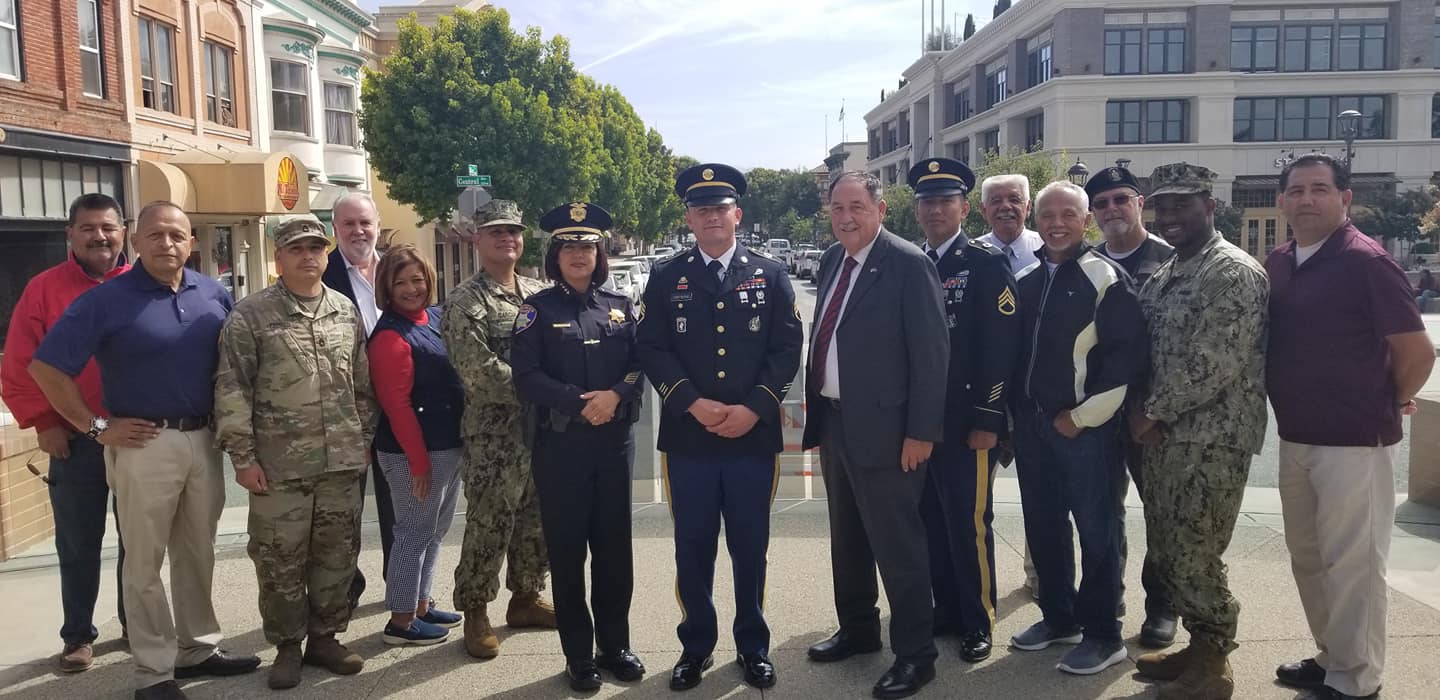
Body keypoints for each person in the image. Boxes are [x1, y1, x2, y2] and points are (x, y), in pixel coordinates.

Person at [29, 200, 259, 700]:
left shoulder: (213, 294)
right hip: (142, 443)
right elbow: (45, 367)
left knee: (197, 552)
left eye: (177, 236)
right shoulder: (107, 299)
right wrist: (94, 427)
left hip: (203, 439)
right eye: (155, 235)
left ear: (192, 243)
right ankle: (153, 672)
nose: (167, 244)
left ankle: (198, 647)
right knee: (144, 562)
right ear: (136, 241)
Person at [1266, 153, 1435, 700]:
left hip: (1355, 443)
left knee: (1355, 565)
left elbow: (1416, 351)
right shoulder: (1281, 261)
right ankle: (1332, 655)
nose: (1307, 199)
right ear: (1281, 201)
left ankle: (1358, 679)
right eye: (1297, 190)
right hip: (1296, 435)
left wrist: (1391, 399)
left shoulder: (1367, 262)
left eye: (1320, 189)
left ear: (1345, 198)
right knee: (1310, 558)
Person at [636, 163, 803, 691]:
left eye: (720, 208)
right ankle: (697, 646)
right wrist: (690, 402)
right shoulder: (666, 276)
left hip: (753, 438)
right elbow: (652, 348)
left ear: (738, 214)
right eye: (701, 208)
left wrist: (755, 407)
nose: (712, 216)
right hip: (689, 438)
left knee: (751, 547)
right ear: (689, 217)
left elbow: (786, 350)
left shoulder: (771, 274)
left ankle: (753, 645)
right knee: (693, 546)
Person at [1125, 164, 1270, 699]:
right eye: (1161, 206)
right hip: (1167, 437)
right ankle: (1198, 644)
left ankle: (1214, 663)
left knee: (1194, 550)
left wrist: (1152, 411)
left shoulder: (1230, 271)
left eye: (1182, 205)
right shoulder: (1169, 271)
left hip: (1212, 440)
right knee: (1167, 549)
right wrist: (1143, 408)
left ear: (1210, 206)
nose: (1170, 216)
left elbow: (1217, 360)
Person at [801, 170, 948, 699]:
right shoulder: (832, 259)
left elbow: (932, 357)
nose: (845, 217)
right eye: (837, 208)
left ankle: (916, 655)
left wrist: (922, 433)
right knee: (848, 539)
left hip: (891, 432)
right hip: (838, 423)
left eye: (856, 207)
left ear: (880, 210)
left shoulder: (908, 264)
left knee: (898, 546)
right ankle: (860, 629)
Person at [213, 217, 375, 689]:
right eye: (296, 249)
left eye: (315, 248)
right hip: (278, 467)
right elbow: (232, 389)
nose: (308, 257)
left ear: (327, 255)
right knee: (279, 559)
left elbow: (363, 387)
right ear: (278, 258)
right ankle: (287, 645)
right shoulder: (251, 315)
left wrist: (361, 440)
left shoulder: (345, 311)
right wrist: (242, 458)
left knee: (336, 556)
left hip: (339, 463)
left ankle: (325, 638)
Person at [1007, 182, 1145, 677]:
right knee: (1044, 528)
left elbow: (1124, 364)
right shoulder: (1025, 277)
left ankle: (1103, 634)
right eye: (1047, 215)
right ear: (1035, 220)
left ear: (1085, 221)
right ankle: (1059, 617)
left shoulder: (1106, 277)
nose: (1057, 223)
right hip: (1034, 427)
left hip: (1086, 430)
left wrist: (1081, 418)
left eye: (1069, 214)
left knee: (1097, 532)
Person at [513, 203, 647, 691]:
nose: (578, 255)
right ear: (555, 254)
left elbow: (639, 364)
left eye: (587, 246)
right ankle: (579, 655)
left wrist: (615, 395)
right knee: (568, 555)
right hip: (562, 449)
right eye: (569, 246)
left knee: (614, 552)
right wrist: (577, 402)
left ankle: (615, 647)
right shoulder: (537, 311)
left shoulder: (622, 306)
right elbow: (526, 375)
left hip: (614, 445)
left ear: (600, 253)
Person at [1, 193, 131, 673]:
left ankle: (135, 623)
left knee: (138, 540)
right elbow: (19, 364)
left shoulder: (141, 284)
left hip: (137, 436)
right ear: (70, 235)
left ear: (123, 232)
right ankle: (77, 635)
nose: (100, 236)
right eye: (89, 228)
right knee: (78, 542)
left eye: (109, 227)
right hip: (76, 439)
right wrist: (46, 422)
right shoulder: (43, 289)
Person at [905, 158, 1019, 664]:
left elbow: (1001, 349)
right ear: (916, 211)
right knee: (930, 520)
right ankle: (946, 608)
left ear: (963, 208)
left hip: (967, 424)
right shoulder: (913, 264)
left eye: (945, 200)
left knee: (969, 524)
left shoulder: (985, 263)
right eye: (927, 201)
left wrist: (988, 420)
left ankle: (978, 618)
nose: (935, 209)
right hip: (921, 425)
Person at [441, 199, 556, 659]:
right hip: (494, 437)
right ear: (477, 240)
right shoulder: (466, 301)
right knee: (490, 524)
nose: (507, 239)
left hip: (540, 431)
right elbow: (479, 371)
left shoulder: (538, 292)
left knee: (536, 520)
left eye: (513, 231)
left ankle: (526, 598)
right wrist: (547, 390)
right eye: (496, 232)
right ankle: (475, 612)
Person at [1085, 165, 1178, 647]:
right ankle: (1107, 596)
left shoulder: (1173, 260)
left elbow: (1179, 348)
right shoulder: (1091, 263)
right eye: (1101, 203)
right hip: (1101, 414)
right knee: (1103, 512)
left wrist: (1155, 409)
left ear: (1139, 202)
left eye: (1121, 199)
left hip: (1152, 417)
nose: (1111, 210)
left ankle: (1162, 606)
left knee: (1160, 513)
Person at [366, 245, 466, 648]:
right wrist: (419, 462)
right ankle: (401, 620)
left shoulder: (435, 318)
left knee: (435, 530)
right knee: (412, 532)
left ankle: (422, 604)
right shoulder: (390, 336)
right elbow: (397, 405)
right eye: (400, 282)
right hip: (414, 452)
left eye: (418, 279)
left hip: (447, 444)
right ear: (387, 288)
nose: (411, 289)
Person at [321, 193, 394, 611]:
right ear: (335, 229)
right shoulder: (323, 272)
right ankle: (345, 592)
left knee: (401, 505)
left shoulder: (400, 270)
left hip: (401, 411)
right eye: (348, 224)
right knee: (343, 511)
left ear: (378, 226)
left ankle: (402, 585)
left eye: (364, 223)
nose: (358, 231)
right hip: (343, 414)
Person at [976, 174, 1045, 274]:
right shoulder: (972, 254)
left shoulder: (1046, 248)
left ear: (1028, 207)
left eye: (1014, 200)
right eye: (996, 201)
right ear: (983, 210)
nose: (1005, 206)